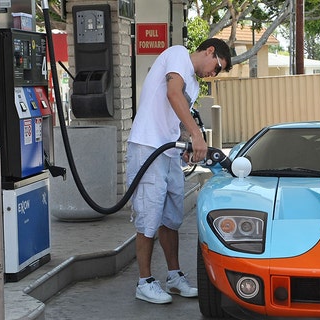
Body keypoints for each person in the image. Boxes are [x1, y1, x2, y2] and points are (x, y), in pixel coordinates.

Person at [126, 38, 232, 304]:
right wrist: (197, 135)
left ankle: (173, 277)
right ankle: (145, 281)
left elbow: (178, 114)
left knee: (171, 217)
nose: (213, 74)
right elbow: (172, 93)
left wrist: (186, 141)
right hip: (148, 145)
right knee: (149, 215)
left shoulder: (194, 84)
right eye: (217, 67)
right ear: (210, 51)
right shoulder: (177, 55)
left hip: (169, 151)